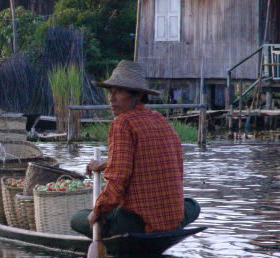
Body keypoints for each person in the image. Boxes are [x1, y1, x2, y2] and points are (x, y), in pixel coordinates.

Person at [70, 60, 200, 238]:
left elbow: (117, 182)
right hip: (170, 219)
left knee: (77, 218)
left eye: (119, 92)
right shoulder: (160, 120)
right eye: (110, 91)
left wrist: (97, 211)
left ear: (137, 96)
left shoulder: (122, 123)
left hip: (138, 221)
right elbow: (143, 162)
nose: (111, 98)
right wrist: (102, 165)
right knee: (192, 205)